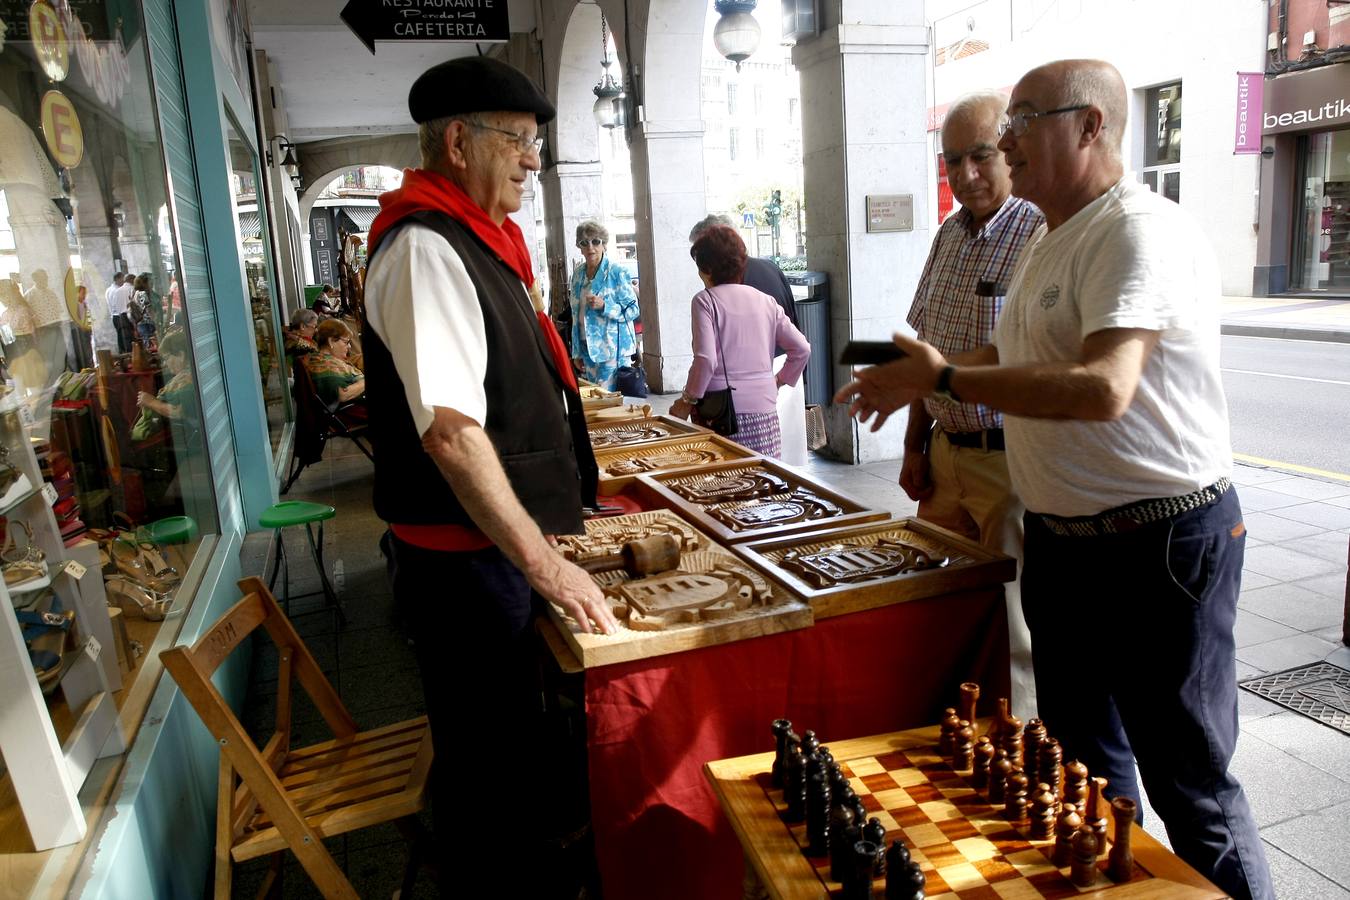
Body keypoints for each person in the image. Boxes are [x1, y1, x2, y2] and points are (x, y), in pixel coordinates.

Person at [834, 59, 1272, 900]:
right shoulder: (1051, 234)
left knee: (1192, 782)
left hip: (1160, 545)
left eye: (1024, 120)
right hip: (1067, 543)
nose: (1004, 143)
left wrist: (949, 381)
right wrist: (922, 375)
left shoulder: (1135, 230)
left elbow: (1106, 387)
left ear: (1090, 126)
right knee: (1087, 770)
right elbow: (1010, 355)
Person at [360, 55, 614, 892]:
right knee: (490, 764)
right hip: (462, 564)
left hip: (487, 552)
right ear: (460, 142)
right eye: (520, 141)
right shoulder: (427, 247)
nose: (535, 160)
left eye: (538, 142)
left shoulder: (474, 239)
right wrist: (542, 561)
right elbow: (454, 436)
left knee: (510, 744)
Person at [900, 91, 1044, 721]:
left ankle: (1018, 755)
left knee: (1015, 626)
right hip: (944, 456)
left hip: (1005, 462)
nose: (965, 175)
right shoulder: (947, 237)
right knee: (932, 600)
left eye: (980, 155)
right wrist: (912, 442)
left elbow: (1029, 362)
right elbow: (922, 348)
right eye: (952, 161)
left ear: (1011, 147)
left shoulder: (1038, 232)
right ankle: (946, 726)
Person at [668, 225, 809, 457]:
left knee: (726, 484)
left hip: (720, 413)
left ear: (707, 268)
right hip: (765, 410)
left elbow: (705, 360)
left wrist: (686, 402)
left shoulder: (705, 301)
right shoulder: (766, 301)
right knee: (763, 480)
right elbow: (802, 349)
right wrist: (779, 380)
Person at [568, 220, 639, 390]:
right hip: (587, 350)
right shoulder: (577, 275)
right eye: (584, 243)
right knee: (595, 401)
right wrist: (576, 352)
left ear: (604, 245)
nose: (590, 247)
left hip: (613, 350)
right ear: (580, 247)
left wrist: (605, 305)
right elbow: (575, 315)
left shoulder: (616, 272)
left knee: (611, 404)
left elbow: (633, 310)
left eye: (596, 241)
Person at [132, 330, 194, 442]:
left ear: (181, 355)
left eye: (167, 358)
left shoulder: (189, 380)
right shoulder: (189, 373)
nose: (165, 363)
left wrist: (151, 402)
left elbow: (179, 412)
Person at [302, 319, 365, 418]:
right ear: (331, 341)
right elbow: (343, 394)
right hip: (350, 412)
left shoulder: (322, 360)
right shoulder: (326, 365)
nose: (349, 347)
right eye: (346, 342)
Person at [109, 270, 134, 353]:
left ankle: (127, 354)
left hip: (120, 315)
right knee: (125, 338)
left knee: (124, 338)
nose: (123, 281)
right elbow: (114, 305)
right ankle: (127, 355)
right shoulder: (113, 290)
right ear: (117, 279)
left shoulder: (116, 290)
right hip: (119, 315)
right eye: (122, 278)